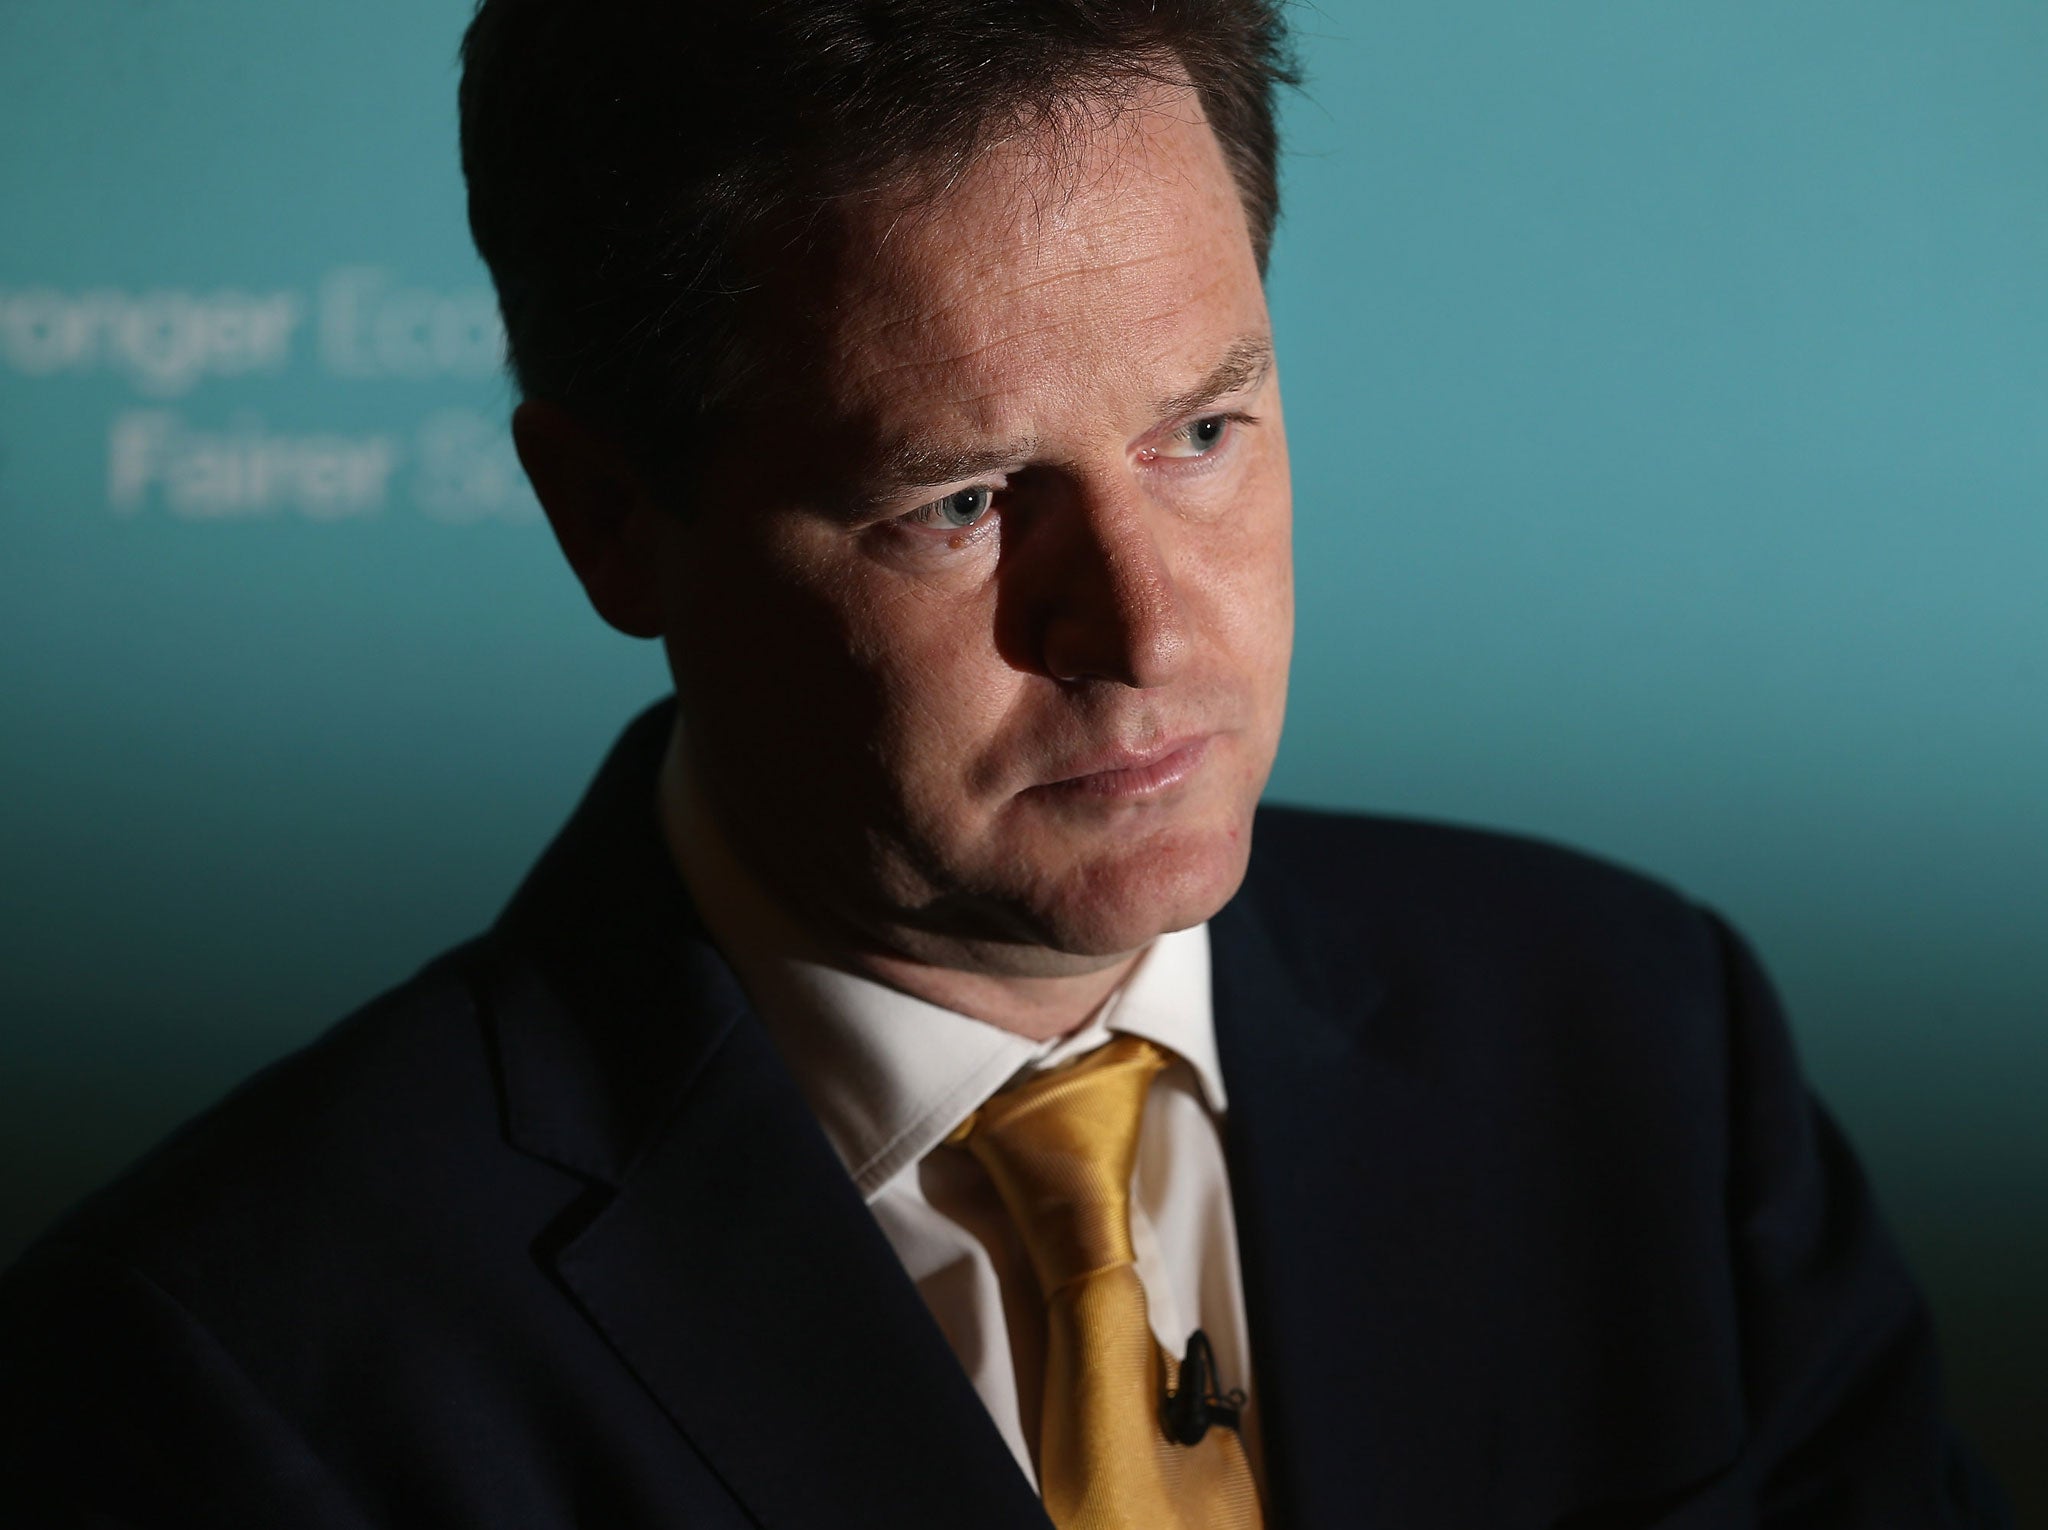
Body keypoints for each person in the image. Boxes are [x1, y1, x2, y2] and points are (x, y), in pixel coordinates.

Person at [0, 1, 2011, 1525]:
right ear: (610, 522)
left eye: (1201, 435)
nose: (1145, 632)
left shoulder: (1651, 1064)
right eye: (959, 504)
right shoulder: (231, 1374)